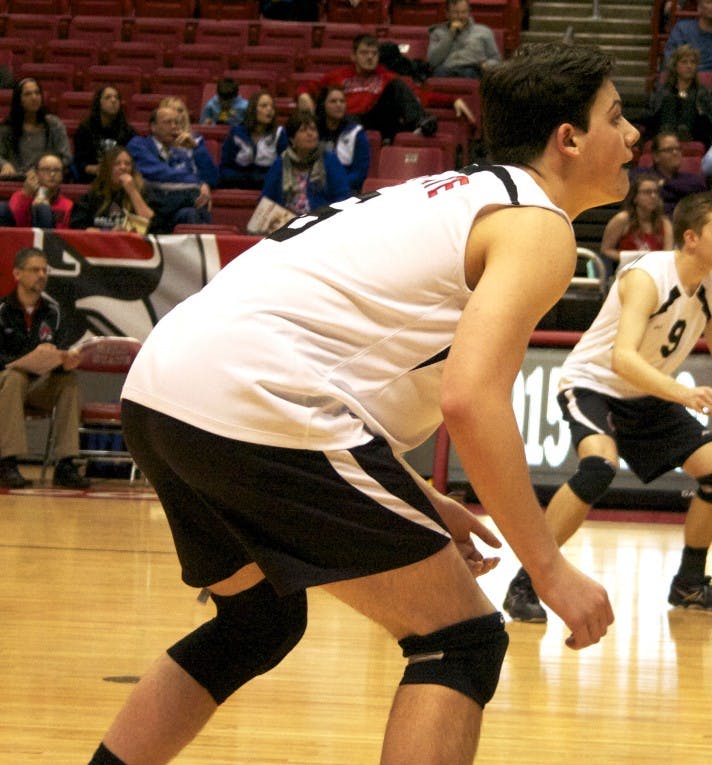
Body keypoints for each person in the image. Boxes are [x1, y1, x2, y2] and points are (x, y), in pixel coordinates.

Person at [86, 41, 627, 765]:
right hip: (253, 396)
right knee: (459, 638)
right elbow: (471, 399)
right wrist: (549, 568)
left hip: (162, 389)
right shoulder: (539, 226)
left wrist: (425, 499)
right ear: (568, 137)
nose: (631, 138)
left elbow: (331, 373)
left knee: (256, 622)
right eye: (616, 118)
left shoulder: (455, 195)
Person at [501, 192, 712, 623]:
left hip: (646, 393)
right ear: (691, 238)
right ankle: (526, 581)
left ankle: (689, 584)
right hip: (592, 384)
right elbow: (622, 358)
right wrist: (682, 392)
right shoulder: (648, 277)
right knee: (598, 468)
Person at [0, 247, 91, 489]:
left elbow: (60, 349)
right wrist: (24, 359)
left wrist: (65, 361)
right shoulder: (2, 311)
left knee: (68, 382)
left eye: (44, 270)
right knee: (14, 377)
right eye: (34, 270)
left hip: (39, 386)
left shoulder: (54, 312)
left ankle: (65, 463)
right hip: (6, 386)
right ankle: (7, 462)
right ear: (17, 274)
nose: (41, 275)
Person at [295, 33, 445, 142]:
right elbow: (308, 87)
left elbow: (415, 95)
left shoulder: (385, 76)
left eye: (374, 54)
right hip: (347, 120)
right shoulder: (339, 75)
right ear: (353, 56)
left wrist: (452, 100)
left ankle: (421, 124)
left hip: (376, 119)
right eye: (364, 53)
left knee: (397, 85)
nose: (370, 57)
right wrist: (303, 95)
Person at [127, 105, 218, 234]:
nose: (174, 126)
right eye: (168, 122)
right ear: (153, 127)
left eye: (177, 122)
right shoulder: (139, 144)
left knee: (192, 212)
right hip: (148, 205)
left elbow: (213, 179)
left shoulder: (180, 151)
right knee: (194, 193)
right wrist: (198, 183)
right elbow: (158, 173)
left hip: (173, 208)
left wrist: (196, 149)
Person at [260, 110, 352, 216]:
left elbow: (343, 197)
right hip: (285, 223)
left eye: (313, 129)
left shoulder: (330, 161)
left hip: (320, 222)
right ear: (292, 139)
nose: (310, 134)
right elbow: (266, 199)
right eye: (303, 130)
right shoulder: (281, 163)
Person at [647, 44, 712, 146]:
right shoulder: (661, 92)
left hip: (695, 135)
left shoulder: (706, 93)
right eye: (684, 62)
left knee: (689, 103)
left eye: (693, 62)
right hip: (663, 133)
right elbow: (649, 114)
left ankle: (682, 133)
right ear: (675, 66)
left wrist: (700, 113)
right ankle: (670, 134)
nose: (689, 66)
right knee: (669, 100)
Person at [599, 173, 674, 277]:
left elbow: (668, 255)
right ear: (635, 197)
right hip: (626, 273)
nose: (653, 196)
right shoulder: (622, 219)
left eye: (656, 192)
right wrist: (634, 257)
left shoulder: (665, 223)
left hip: (656, 275)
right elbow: (606, 250)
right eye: (647, 192)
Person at [69, 145, 155, 232]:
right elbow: (77, 227)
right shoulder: (93, 194)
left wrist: (132, 192)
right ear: (107, 169)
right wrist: (108, 233)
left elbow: (153, 224)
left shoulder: (143, 191)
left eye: (127, 164)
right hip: (100, 243)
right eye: (117, 164)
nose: (123, 167)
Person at [0, 78, 73, 180]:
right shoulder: (8, 128)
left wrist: (44, 168)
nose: (34, 97)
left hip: (46, 181)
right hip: (16, 181)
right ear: (19, 100)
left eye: (37, 93)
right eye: (28, 94)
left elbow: (66, 157)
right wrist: (4, 164)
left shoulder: (53, 124)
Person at [218, 90, 288, 190]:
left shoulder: (279, 134)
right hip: (238, 185)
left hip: (268, 188)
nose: (269, 110)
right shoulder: (236, 133)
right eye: (264, 106)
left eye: (272, 107)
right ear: (253, 109)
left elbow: (284, 169)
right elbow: (225, 167)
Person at [73, 84, 137, 184]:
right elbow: (79, 163)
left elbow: (132, 162)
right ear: (99, 102)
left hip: (120, 180)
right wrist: (99, 170)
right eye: (108, 97)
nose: (113, 100)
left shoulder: (128, 131)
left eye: (116, 97)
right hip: (90, 181)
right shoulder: (85, 129)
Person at [661, 0, 712, 77]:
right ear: (699, 8)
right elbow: (670, 59)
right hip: (682, 82)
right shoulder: (682, 30)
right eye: (709, 2)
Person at [316, 85, 371, 193]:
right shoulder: (314, 131)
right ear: (323, 105)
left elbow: (360, 173)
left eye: (342, 101)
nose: (339, 105)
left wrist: (336, 183)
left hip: (347, 190)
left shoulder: (356, 133)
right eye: (333, 101)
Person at [427, 0, 502, 79]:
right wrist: (450, 35)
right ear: (447, 14)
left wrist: (487, 65)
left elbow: (496, 59)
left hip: (472, 70)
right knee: (438, 72)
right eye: (455, 12)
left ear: (469, 12)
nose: (460, 16)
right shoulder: (438, 32)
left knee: (469, 74)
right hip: (446, 70)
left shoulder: (484, 32)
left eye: (464, 12)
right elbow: (433, 62)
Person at [641, 130, 708, 217]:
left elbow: (701, 195)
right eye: (669, 150)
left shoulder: (693, 180)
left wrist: (663, 183)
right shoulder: (641, 174)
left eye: (678, 149)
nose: (675, 153)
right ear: (656, 156)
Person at [0, 153, 74, 229]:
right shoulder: (20, 196)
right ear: (36, 173)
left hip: (50, 239)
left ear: (62, 175)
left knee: (43, 208)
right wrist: (26, 196)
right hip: (20, 238)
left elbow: (65, 235)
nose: (52, 174)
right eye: (46, 169)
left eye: (57, 170)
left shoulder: (68, 205)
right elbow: (16, 224)